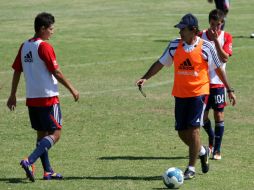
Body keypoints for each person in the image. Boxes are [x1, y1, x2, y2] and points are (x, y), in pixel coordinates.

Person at [136, 13, 236, 180]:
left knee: (194, 129)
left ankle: (191, 168)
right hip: (180, 94)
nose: (180, 32)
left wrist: (230, 89)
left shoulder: (206, 47)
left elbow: (219, 69)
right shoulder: (174, 45)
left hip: (199, 94)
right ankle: (202, 151)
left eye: (183, 29)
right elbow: (160, 63)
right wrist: (146, 77)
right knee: (182, 132)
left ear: (193, 30)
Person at [7, 12, 79, 182]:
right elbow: (56, 71)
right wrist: (72, 89)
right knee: (56, 134)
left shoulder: (24, 46)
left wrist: (12, 95)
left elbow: (17, 70)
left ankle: (48, 171)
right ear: (42, 29)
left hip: (32, 99)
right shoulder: (44, 47)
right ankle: (29, 161)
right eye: (51, 29)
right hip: (48, 98)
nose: (52, 32)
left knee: (41, 135)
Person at [199, 9, 233, 160]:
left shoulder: (226, 37)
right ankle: (211, 138)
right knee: (202, 118)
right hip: (202, 84)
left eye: (218, 25)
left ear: (222, 24)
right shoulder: (200, 36)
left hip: (218, 84)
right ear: (209, 23)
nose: (215, 28)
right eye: (212, 25)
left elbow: (225, 58)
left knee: (218, 115)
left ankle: (217, 149)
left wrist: (215, 42)